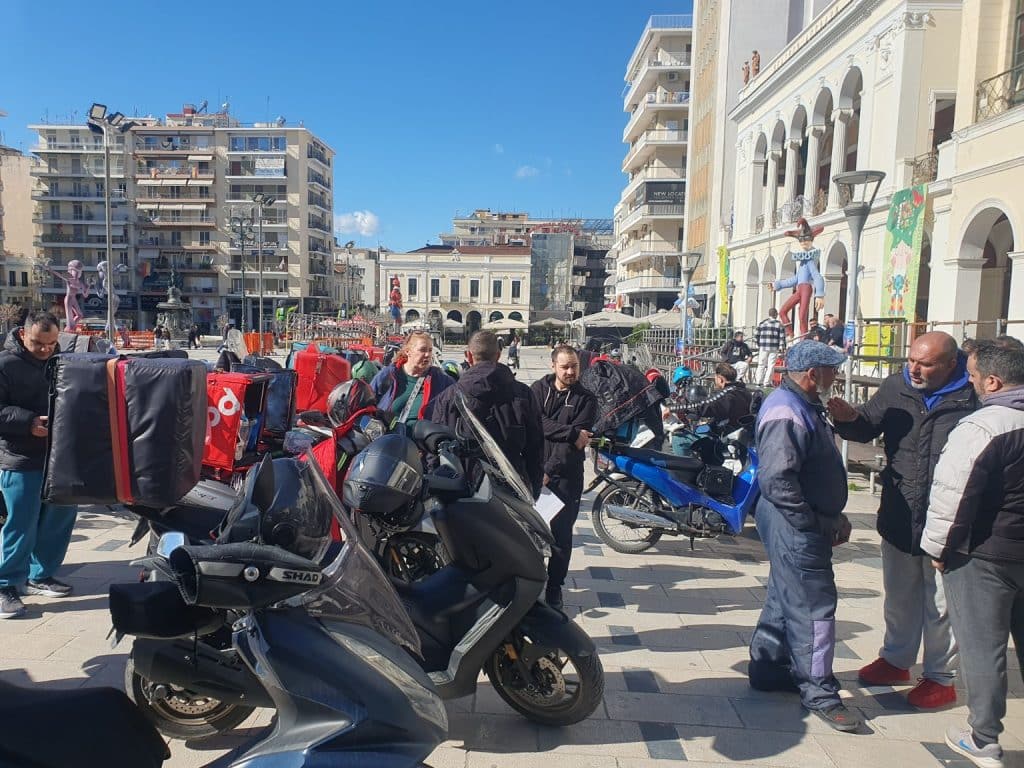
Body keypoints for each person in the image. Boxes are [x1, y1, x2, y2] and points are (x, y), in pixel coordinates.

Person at [827, 331, 974, 708]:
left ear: (950, 364)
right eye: (911, 360)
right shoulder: (896, 387)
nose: (915, 369)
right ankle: (897, 658)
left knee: (940, 601)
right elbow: (868, 426)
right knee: (899, 593)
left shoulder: (971, 396)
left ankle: (941, 676)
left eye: (925, 364)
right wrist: (849, 420)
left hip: (951, 517)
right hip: (899, 511)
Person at [748, 340, 860, 732]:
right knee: (814, 605)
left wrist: (830, 513)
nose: (835, 376)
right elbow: (778, 479)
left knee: (785, 593)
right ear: (813, 375)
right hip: (792, 521)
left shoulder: (801, 404)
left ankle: (768, 667)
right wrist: (812, 521)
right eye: (831, 370)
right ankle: (820, 690)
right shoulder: (787, 411)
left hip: (798, 518)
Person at [921, 339, 1024, 768]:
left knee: (984, 647)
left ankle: (983, 737)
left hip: (984, 555)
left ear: (994, 381)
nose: (973, 382)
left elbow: (952, 494)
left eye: (976, 375)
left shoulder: (983, 426)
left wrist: (938, 550)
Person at [0, 313, 77, 618]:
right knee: (22, 523)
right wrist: (27, 422)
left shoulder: (63, 361)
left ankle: (40, 575)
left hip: (61, 456)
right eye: (38, 343)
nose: (45, 349)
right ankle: (6, 583)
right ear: (22, 335)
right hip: (20, 456)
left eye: (51, 343)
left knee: (60, 517)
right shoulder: (5, 364)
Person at [429, 331, 544, 498]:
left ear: (468, 356)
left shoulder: (448, 397)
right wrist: (533, 489)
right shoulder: (523, 394)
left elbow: (435, 447)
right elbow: (535, 448)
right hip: (510, 488)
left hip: (461, 491)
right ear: (498, 355)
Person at [530, 345, 597, 610]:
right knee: (531, 531)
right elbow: (535, 424)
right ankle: (532, 582)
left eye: (574, 367)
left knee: (560, 537)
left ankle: (555, 586)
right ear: (553, 366)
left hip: (565, 477)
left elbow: (575, 445)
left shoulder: (587, 399)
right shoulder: (537, 390)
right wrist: (569, 431)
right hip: (535, 472)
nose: (570, 372)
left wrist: (549, 470)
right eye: (565, 367)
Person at [371, 330, 454, 428]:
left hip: (421, 441)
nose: (427, 354)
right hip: (389, 439)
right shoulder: (388, 375)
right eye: (423, 350)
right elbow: (367, 405)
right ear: (408, 352)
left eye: (430, 350)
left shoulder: (440, 380)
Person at [680, 363, 753, 431]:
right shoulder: (744, 391)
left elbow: (706, 406)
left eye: (715, 378)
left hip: (727, 436)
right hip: (741, 432)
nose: (715, 381)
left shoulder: (727, 395)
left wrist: (680, 407)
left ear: (720, 380)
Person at [754, 308, 785, 387]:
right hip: (774, 347)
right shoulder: (779, 324)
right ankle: (766, 382)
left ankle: (758, 381)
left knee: (761, 364)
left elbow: (756, 336)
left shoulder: (762, 323)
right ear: (775, 314)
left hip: (763, 347)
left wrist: (759, 344)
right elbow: (781, 337)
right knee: (771, 365)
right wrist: (781, 347)